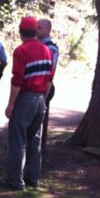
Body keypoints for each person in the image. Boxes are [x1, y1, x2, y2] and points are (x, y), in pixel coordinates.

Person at [0, 17, 54, 191]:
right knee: (34, 141)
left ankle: (15, 181)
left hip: (26, 99)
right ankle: (33, 178)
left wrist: (10, 105)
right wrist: (43, 100)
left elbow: (17, 81)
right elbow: (49, 80)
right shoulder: (46, 50)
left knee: (18, 140)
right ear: (35, 31)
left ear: (21, 32)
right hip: (40, 99)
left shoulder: (21, 51)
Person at [36, 19, 59, 154]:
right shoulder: (34, 44)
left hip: (45, 86)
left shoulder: (51, 47)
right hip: (33, 86)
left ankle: (40, 149)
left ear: (47, 30)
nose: (36, 29)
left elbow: (51, 70)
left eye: (39, 27)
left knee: (40, 119)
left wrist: (46, 92)